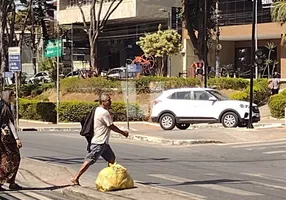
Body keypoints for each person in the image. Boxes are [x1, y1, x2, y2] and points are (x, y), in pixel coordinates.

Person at [71, 94, 129, 186]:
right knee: (89, 160)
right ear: (103, 102)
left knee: (111, 159)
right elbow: (111, 126)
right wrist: (123, 133)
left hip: (104, 143)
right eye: (108, 100)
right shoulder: (103, 113)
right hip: (99, 142)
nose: (111, 101)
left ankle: (111, 179)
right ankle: (75, 177)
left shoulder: (97, 110)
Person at [0, 89, 23, 191]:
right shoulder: (2, 106)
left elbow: (10, 123)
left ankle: (11, 182)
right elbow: (9, 123)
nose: (14, 98)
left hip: (7, 137)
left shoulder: (8, 106)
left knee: (13, 158)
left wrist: (16, 138)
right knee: (11, 159)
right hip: (4, 137)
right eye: (12, 96)